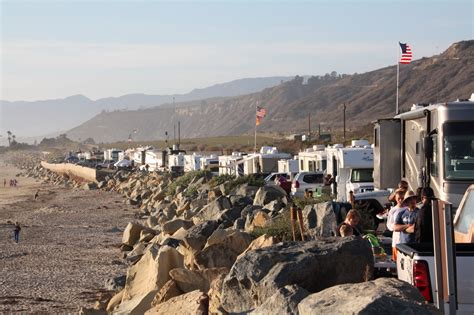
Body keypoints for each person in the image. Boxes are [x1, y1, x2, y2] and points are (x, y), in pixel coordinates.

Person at [386, 188, 407, 261]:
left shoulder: (408, 208)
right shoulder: (393, 210)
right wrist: (397, 227)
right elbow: (389, 225)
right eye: (399, 198)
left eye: (402, 198)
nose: (401, 200)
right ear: (395, 198)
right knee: (396, 261)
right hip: (396, 239)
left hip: (406, 239)